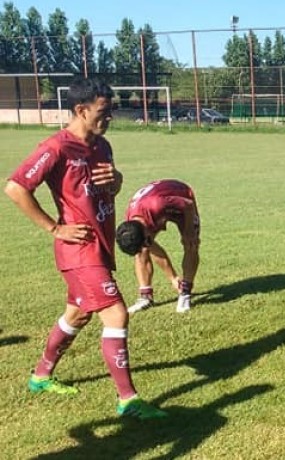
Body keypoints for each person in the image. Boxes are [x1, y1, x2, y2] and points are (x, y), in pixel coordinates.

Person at [4, 77, 166, 419]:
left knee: (77, 313)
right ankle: (128, 400)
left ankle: (41, 375)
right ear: (81, 110)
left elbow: (107, 190)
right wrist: (55, 227)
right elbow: (16, 187)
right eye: (103, 112)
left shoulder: (103, 145)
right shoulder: (56, 147)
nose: (109, 118)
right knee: (116, 312)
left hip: (100, 246)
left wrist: (117, 181)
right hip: (78, 251)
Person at [116, 179, 200, 314]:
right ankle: (145, 297)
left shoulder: (156, 204)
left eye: (147, 240)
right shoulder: (131, 224)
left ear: (145, 231)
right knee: (141, 252)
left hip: (181, 199)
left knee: (191, 244)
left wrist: (189, 231)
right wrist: (172, 277)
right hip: (154, 208)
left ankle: (185, 293)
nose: (148, 244)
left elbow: (188, 205)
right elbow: (150, 247)